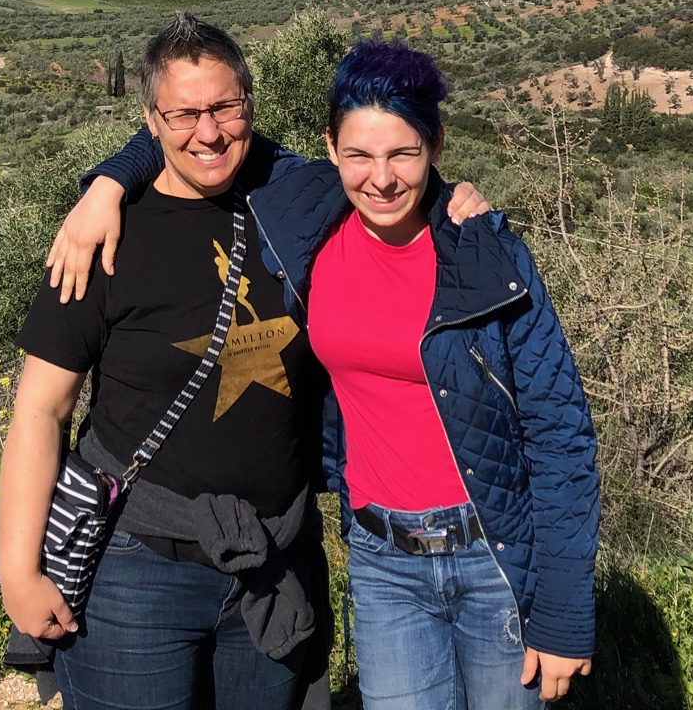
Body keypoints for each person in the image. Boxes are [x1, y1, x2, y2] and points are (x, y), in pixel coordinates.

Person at [58, 36, 599, 707]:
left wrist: (566, 615)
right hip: (382, 565)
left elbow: (561, 434)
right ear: (329, 149)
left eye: (404, 151)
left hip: (493, 557)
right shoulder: (306, 210)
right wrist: (108, 183)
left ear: (435, 144)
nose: (381, 177)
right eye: (359, 154)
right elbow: (203, 133)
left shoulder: (486, 253)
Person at [0, 14, 489, 710]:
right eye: (183, 113)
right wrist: (18, 572)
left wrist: (453, 200)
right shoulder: (103, 239)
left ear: (249, 106)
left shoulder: (296, 204)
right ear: (149, 119)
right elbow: (40, 410)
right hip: (137, 567)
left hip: (277, 554)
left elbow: (386, 180)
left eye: (224, 107)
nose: (208, 131)